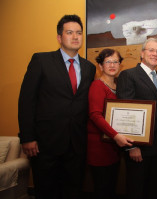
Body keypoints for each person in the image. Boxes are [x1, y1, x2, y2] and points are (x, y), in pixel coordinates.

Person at [18, 15, 96, 199]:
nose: (75, 37)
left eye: (79, 33)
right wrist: (27, 137)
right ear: (59, 37)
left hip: (76, 145)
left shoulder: (89, 68)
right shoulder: (41, 61)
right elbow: (26, 101)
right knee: (46, 191)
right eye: (69, 32)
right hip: (45, 144)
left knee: (72, 191)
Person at [116, 38, 157, 199]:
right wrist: (131, 147)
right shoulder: (128, 75)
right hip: (139, 150)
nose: (155, 54)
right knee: (137, 191)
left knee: (155, 190)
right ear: (142, 53)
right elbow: (125, 113)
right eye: (151, 50)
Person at [87, 48, 133, 199]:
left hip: (113, 146)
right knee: (103, 189)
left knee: (111, 188)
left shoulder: (119, 86)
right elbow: (95, 115)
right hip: (99, 148)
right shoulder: (97, 86)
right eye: (108, 62)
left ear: (120, 65)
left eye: (115, 61)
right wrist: (116, 135)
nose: (112, 65)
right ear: (100, 66)